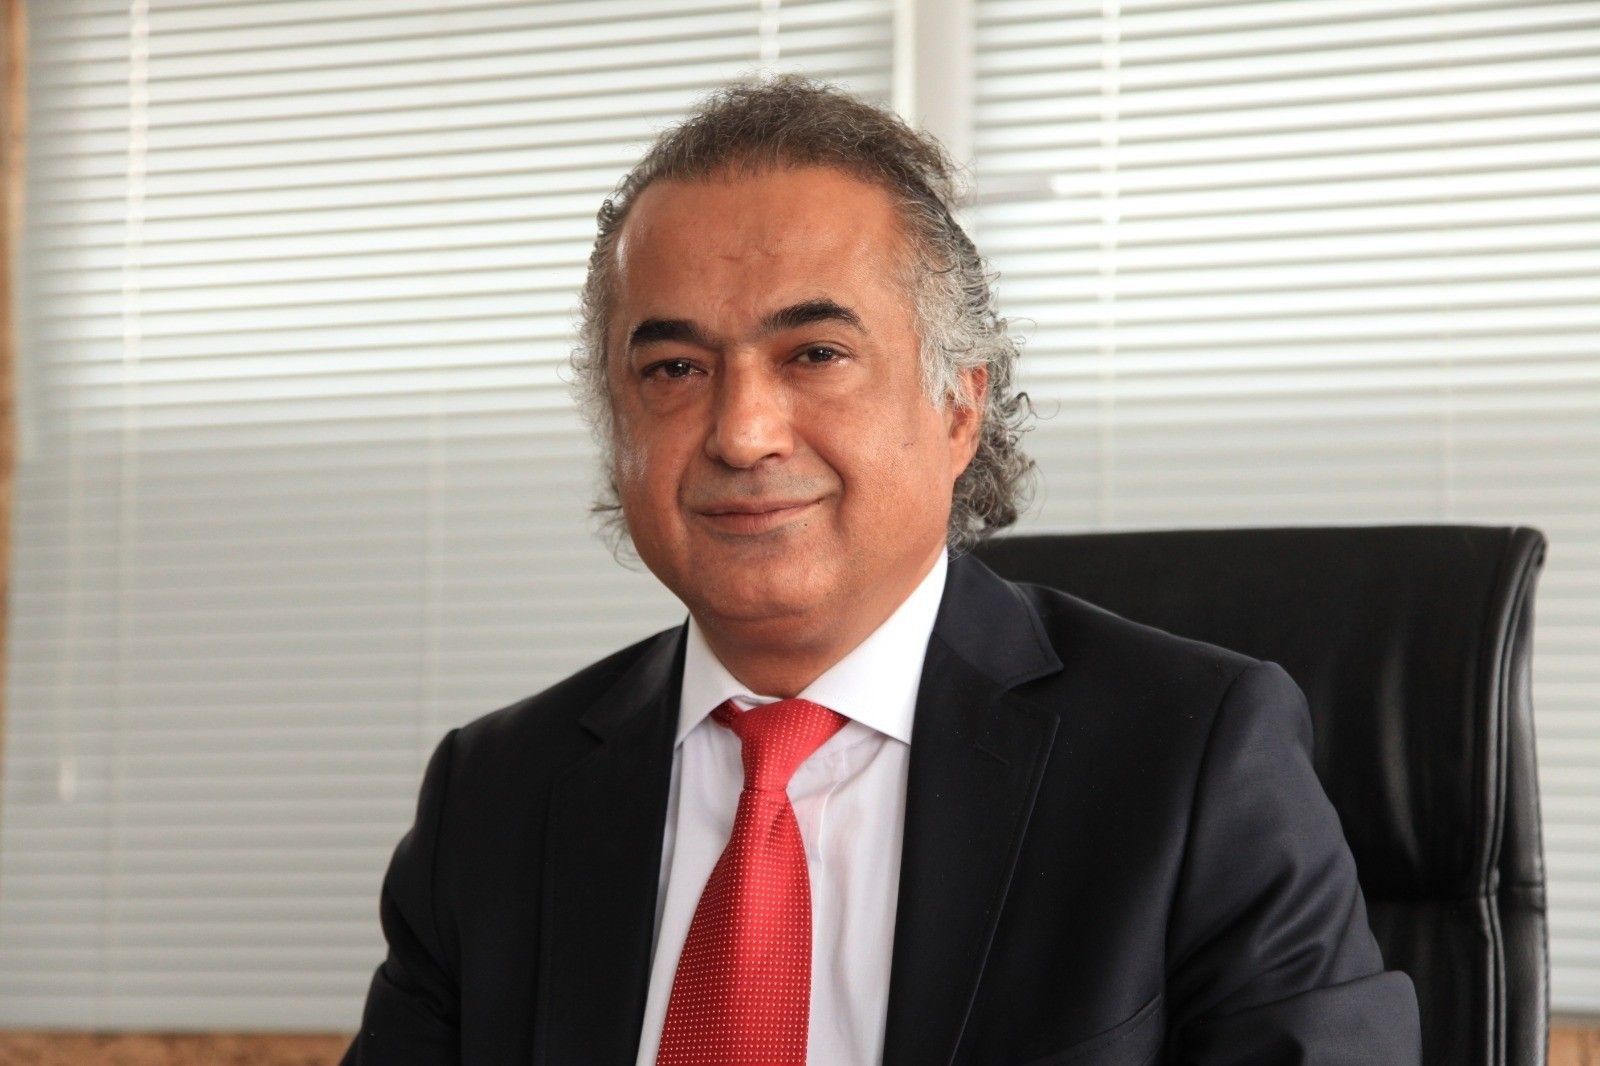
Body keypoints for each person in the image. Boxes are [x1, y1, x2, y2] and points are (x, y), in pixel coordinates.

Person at [342, 75, 1420, 1065]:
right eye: (674, 368)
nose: (743, 432)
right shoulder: (495, 796)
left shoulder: (1191, 761)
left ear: (957, 407)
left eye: (814, 354)